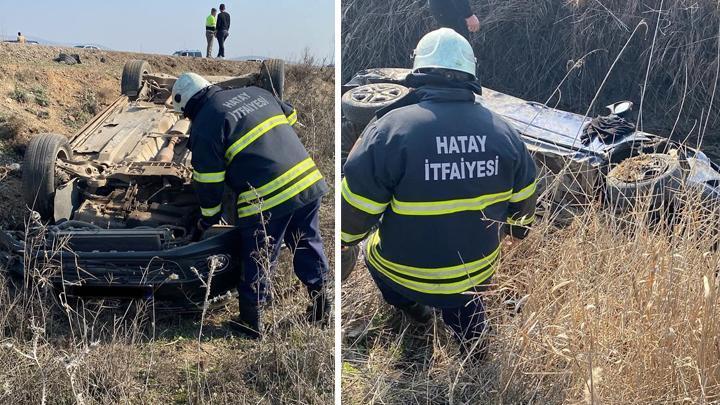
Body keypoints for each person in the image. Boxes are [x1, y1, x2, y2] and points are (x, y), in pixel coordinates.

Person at [341, 28, 537, 361]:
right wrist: (516, 229)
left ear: (418, 72)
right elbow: (524, 215)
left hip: (403, 273)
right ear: (471, 76)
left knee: (370, 255)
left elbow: (351, 221)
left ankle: (415, 314)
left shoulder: (389, 129)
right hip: (475, 271)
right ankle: (475, 350)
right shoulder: (505, 133)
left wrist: (349, 239)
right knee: (465, 302)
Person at [171, 72, 330, 338]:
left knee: (259, 255)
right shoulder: (257, 93)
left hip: (267, 197)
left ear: (188, 107)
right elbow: (291, 117)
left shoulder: (206, 122)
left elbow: (209, 182)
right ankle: (321, 307)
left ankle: (251, 321)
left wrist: (208, 219)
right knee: (308, 242)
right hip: (307, 181)